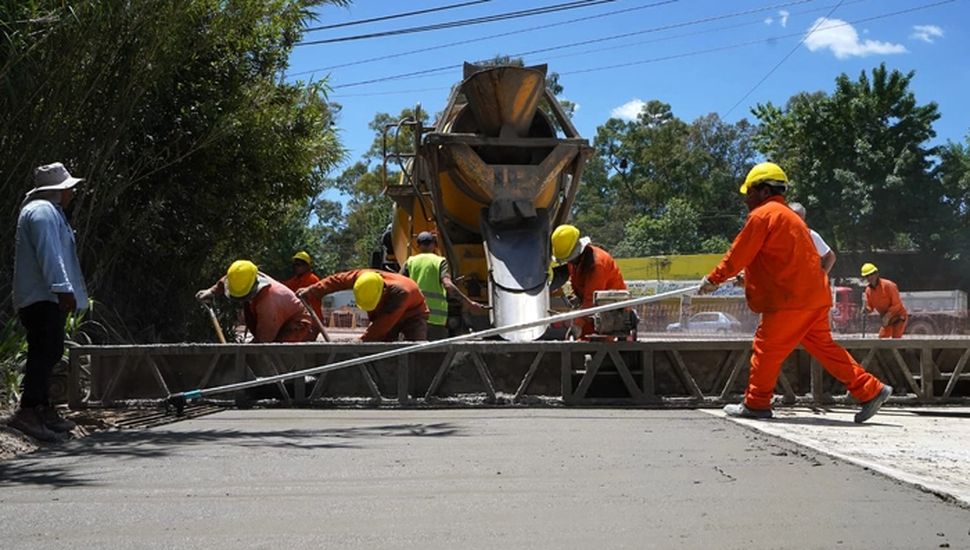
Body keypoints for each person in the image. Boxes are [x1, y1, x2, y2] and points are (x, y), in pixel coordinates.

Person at [700, 162, 891, 423]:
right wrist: (746, 279)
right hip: (814, 297)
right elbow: (781, 264)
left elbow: (739, 254)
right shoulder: (792, 219)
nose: (746, 199)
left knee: (766, 348)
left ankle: (756, 403)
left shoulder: (763, 215)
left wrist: (714, 279)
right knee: (825, 348)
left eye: (750, 192)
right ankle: (871, 390)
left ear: (764, 191)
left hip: (791, 301)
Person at [8, 162, 88, 442]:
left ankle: (41, 407)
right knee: (44, 352)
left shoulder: (48, 211)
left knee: (50, 349)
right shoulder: (41, 211)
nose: (73, 193)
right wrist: (62, 288)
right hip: (42, 296)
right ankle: (29, 409)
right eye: (70, 188)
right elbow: (49, 254)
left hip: (45, 296)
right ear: (58, 190)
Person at [196, 260, 316, 343]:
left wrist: (243, 355)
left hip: (295, 323)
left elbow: (263, 342)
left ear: (253, 288)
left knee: (277, 354)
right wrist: (212, 291)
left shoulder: (268, 303)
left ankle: (283, 378)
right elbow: (227, 280)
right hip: (276, 316)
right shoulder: (243, 275)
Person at [297, 270, 429, 342]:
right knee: (382, 348)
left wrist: (361, 341)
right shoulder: (361, 278)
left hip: (413, 314)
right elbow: (336, 281)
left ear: (383, 292)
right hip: (386, 311)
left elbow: (381, 326)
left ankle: (417, 385)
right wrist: (312, 290)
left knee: (415, 348)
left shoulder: (400, 294)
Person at [401, 231, 487, 340]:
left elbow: (400, 285)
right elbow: (448, 285)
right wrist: (469, 304)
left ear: (418, 245)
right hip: (436, 321)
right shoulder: (440, 262)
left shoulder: (410, 262)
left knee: (412, 354)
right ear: (434, 245)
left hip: (414, 318)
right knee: (436, 356)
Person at [550, 224, 626, 339]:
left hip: (610, 313)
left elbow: (591, 300)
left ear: (577, 250)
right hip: (590, 312)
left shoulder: (597, 265)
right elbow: (576, 281)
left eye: (569, 259)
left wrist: (577, 325)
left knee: (594, 346)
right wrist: (575, 297)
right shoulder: (575, 262)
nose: (569, 262)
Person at [861, 263, 907, 339]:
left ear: (876, 274)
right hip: (886, 319)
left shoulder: (889, 285)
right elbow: (870, 307)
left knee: (896, 340)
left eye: (871, 274)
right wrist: (866, 310)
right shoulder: (868, 290)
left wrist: (888, 315)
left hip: (898, 317)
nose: (869, 277)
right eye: (867, 276)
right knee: (882, 339)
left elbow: (897, 304)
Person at [789, 202, 836, 274]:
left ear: (803, 218)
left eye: (798, 217)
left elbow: (830, 256)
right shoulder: (778, 234)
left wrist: (821, 277)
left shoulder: (811, 235)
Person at [283, 251, 323, 321]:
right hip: (301, 318)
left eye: (299, 265)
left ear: (307, 266)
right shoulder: (295, 280)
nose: (296, 267)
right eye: (295, 265)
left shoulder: (312, 280)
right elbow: (284, 287)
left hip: (312, 319)